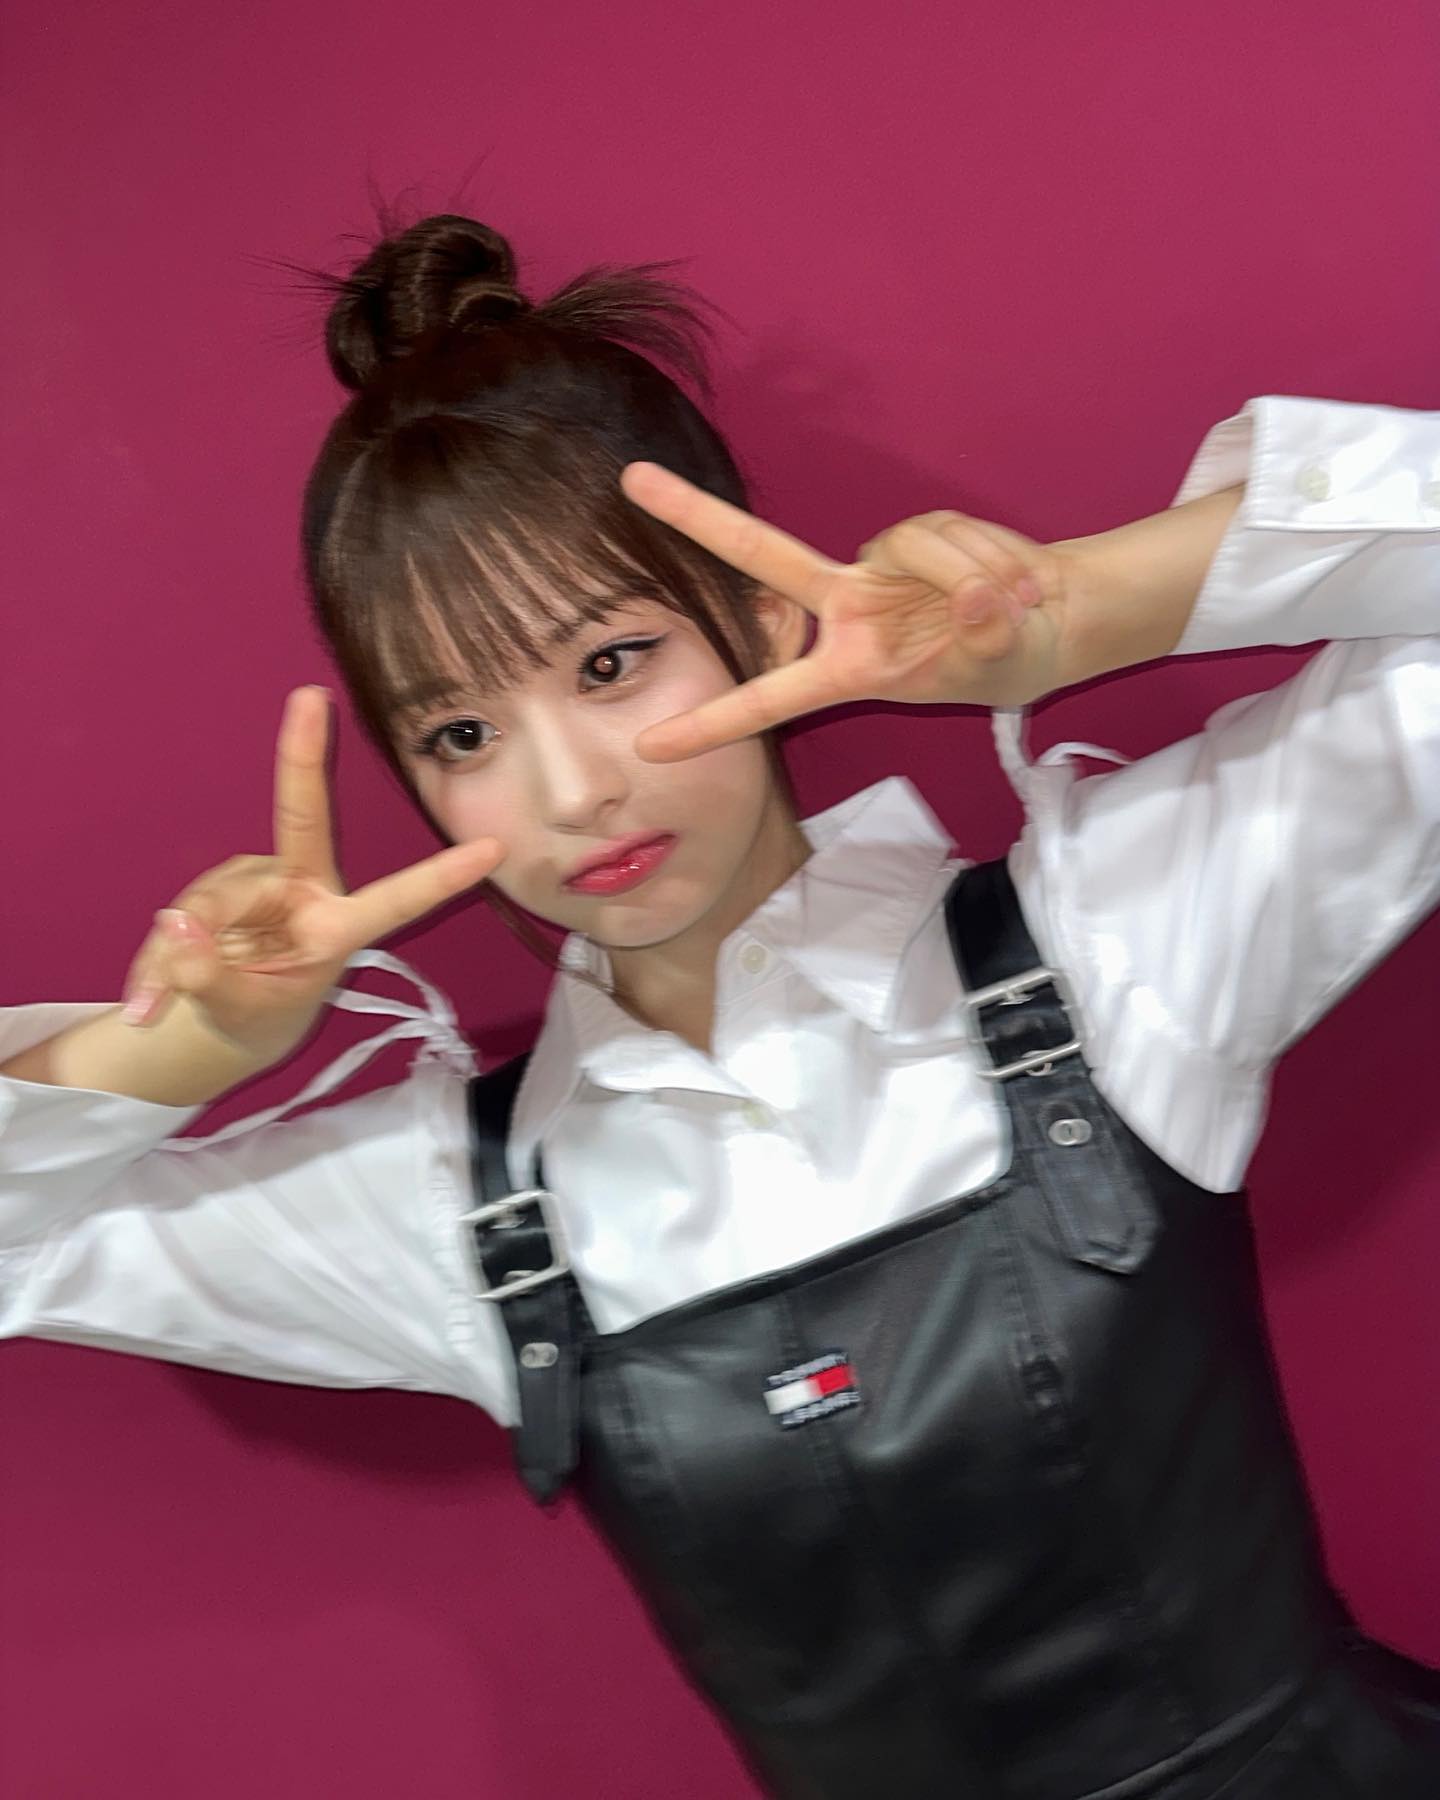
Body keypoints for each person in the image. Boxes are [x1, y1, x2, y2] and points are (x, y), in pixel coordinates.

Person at [2, 212, 1438, 1798]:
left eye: (611, 664)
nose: (570, 790)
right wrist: (185, 1045)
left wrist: (1093, 607)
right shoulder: (462, 1211)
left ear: (756, 619)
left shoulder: (1112, 942)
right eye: (463, 734)